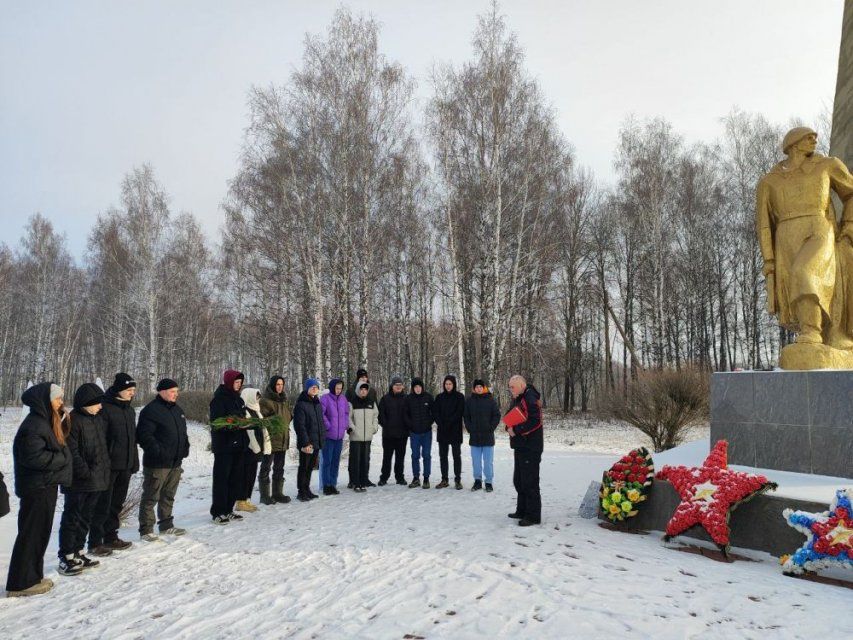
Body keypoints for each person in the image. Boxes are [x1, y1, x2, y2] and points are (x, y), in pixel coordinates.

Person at [5, 383, 71, 597]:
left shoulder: (43, 421)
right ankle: (21, 583)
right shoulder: (33, 425)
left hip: (45, 485)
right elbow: (33, 457)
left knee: (40, 533)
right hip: (37, 487)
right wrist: (61, 457)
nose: (61, 402)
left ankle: (32, 577)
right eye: (57, 398)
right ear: (45, 400)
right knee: (31, 534)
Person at [57, 383, 111, 575]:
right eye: (97, 403)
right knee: (73, 518)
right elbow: (72, 452)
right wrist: (86, 473)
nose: (101, 406)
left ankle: (79, 552)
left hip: (96, 480)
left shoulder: (97, 419)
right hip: (79, 482)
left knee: (85, 518)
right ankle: (66, 556)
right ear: (87, 403)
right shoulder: (72, 420)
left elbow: (101, 449)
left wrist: (102, 472)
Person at [88, 373, 139, 556]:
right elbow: (100, 439)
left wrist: (134, 462)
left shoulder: (130, 410)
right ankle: (95, 541)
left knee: (116, 504)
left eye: (133, 390)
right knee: (103, 504)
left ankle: (111, 537)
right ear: (119, 390)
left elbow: (132, 439)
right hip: (108, 467)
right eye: (129, 390)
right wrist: (103, 463)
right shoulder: (106, 408)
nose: (132, 393)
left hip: (124, 465)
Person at [136, 379, 190, 539]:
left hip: (175, 462)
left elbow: (183, 433)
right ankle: (146, 530)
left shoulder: (177, 410)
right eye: (173, 391)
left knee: (168, 495)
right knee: (151, 496)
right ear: (162, 391)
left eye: (177, 391)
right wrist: (158, 452)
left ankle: (166, 525)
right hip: (157, 464)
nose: (176, 394)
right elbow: (144, 436)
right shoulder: (151, 410)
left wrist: (185, 448)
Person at [209, 370, 249, 523]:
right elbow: (217, 424)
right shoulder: (219, 400)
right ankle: (218, 512)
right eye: (236, 382)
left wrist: (246, 424)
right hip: (224, 447)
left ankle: (228, 509)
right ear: (229, 382)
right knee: (222, 480)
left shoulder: (238, 400)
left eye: (240, 383)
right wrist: (235, 426)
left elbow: (241, 419)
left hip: (239, 446)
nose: (238, 385)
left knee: (235, 479)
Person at [505, 375, 543, 526]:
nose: (510, 389)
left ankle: (533, 516)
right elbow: (511, 416)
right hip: (521, 445)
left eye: (512, 387)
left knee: (530, 482)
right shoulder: (519, 397)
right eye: (509, 387)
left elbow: (536, 421)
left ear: (521, 385)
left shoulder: (530, 397)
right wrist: (508, 427)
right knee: (519, 480)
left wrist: (517, 430)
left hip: (530, 447)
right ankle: (521, 510)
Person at [258, 376, 292, 504]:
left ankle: (277, 493)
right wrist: (273, 421)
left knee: (280, 467)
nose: (280, 386)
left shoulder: (283, 401)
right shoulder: (265, 401)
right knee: (266, 466)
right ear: (273, 385)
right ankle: (264, 495)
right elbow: (261, 420)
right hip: (270, 440)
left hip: (283, 439)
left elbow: (288, 418)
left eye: (282, 384)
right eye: (277, 384)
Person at [237, 388, 271, 512]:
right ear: (249, 396)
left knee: (252, 474)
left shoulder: (256, 409)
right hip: (248, 448)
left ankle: (247, 499)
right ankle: (241, 501)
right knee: (245, 475)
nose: (258, 398)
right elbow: (247, 429)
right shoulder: (244, 411)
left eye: (258, 396)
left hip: (257, 447)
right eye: (256, 396)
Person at [464, 379, 501, 492]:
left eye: (481, 386)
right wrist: (469, 428)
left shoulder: (490, 400)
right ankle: (477, 481)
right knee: (476, 461)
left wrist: (491, 427)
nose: (479, 388)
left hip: (488, 436)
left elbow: (497, 415)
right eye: (477, 387)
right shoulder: (469, 401)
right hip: (474, 437)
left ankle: (488, 482)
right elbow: (466, 416)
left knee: (488, 461)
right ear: (474, 389)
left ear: (484, 388)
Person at [293, 378, 324, 502]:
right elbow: (300, 425)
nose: (314, 389)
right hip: (307, 443)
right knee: (304, 467)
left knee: (310, 467)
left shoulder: (317, 403)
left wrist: (322, 439)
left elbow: (320, 423)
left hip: (316, 442)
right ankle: (301, 491)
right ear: (307, 388)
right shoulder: (301, 404)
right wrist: (306, 442)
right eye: (312, 387)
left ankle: (307, 489)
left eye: (316, 387)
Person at [433, 375, 465, 490]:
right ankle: (444, 479)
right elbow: (435, 412)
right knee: (443, 456)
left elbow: (460, 412)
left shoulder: (460, 397)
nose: (448, 386)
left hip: (455, 430)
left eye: (450, 384)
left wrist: (449, 422)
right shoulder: (439, 397)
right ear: (444, 385)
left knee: (456, 456)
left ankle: (457, 480)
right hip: (442, 431)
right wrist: (441, 423)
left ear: (454, 384)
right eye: (446, 384)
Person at [347, 381, 379, 492]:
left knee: (365, 460)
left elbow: (375, 416)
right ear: (357, 390)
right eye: (361, 389)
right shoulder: (352, 402)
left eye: (365, 389)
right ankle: (356, 483)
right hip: (356, 437)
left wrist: (374, 428)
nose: (363, 391)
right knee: (356, 461)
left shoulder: (371, 402)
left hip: (367, 437)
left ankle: (363, 481)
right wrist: (352, 428)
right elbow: (348, 418)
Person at [320, 378, 349, 495]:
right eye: (337, 388)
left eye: (341, 388)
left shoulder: (343, 399)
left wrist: (345, 425)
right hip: (328, 436)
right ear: (332, 388)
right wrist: (328, 425)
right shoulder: (325, 399)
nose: (339, 390)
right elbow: (321, 414)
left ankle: (333, 484)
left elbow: (346, 413)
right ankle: (326, 485)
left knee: (336, 461)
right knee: (327, 461)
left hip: (339, 436)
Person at [377, 376, 408, 486]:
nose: (398, 387)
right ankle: (384, 477)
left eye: (400, 385)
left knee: (400, 458)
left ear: (403, 386)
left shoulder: (406, 398)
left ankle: (399, 477)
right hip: (388, 435)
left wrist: (407, 426)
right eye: (396, 385)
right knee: (387, 457)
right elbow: (380, 415)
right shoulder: (385, 399)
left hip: (402, 434)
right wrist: (386, 425)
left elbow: (409, 415)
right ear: (392, 386)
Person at [405, 377, 434, 489]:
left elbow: (434, 412)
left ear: (422, 387)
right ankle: (416, 478)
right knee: (415, 455)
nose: (417, 389)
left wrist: (429, 423)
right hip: (414, 433)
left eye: (419, 386)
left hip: (426, 432)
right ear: (413, 388)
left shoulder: (428, 397)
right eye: (415, 387)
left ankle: (426, 478)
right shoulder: (409, 399)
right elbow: (405, 414)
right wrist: (411, 425)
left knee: (426, 455)